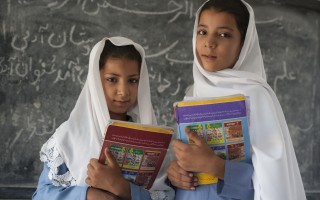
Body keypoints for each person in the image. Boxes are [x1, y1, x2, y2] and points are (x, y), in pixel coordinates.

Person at [166, 0, 306, 199]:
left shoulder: (256, 97)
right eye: (202, 32)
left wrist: (214, 166)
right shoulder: (192, 94)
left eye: (223, 34)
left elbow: (273, 183)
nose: (209, 42)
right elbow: (188, 166)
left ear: (244, 44)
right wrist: (176, 174)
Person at [32, 37, 174, 200]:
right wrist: (87, 195)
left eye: (133, 80)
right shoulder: (69, 136)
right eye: (112, 80)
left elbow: (164, 195)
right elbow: (41, 195)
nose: (123, 91)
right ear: (95, 81)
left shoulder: (151, 140)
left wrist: (122, 188)